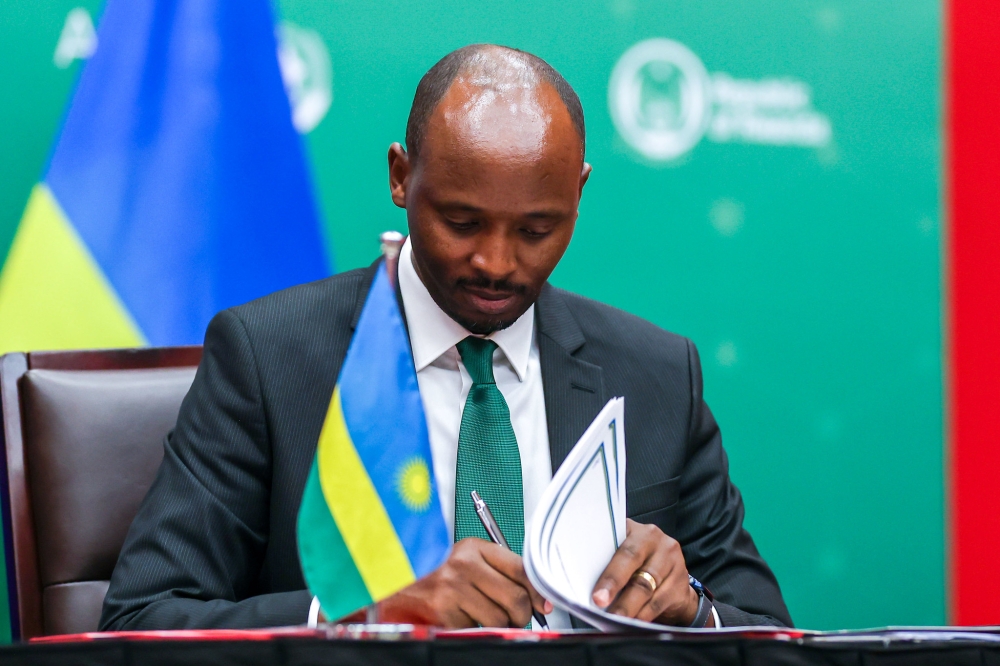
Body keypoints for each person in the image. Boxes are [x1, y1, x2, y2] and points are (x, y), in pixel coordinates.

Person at [101, 44, 791, 631]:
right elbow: (142, 616)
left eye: (536, 230)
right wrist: (367, 614)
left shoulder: (658, 373)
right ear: (402, 177)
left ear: (578, 192)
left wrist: (693, 608)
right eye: (462, 223)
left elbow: (771, 634)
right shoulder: (266, 356)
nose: (495, 261)